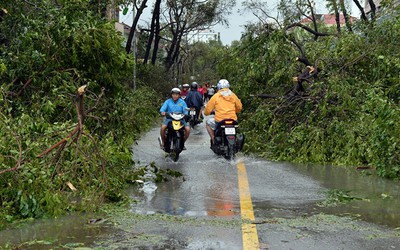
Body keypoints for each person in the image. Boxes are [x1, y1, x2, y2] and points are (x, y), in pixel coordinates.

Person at [203, 79, 242, 144]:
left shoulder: (216, 96)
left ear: (218, 87)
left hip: (219, 120)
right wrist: (234, 111)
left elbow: (208, 109)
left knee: (208, 123)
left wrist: (206, 113)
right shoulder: (233, 95)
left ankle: (213, 140)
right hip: (233, 119)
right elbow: (239, 107)